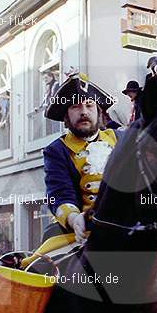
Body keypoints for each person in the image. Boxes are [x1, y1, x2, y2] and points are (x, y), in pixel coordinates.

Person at [42, 73, 117, 242]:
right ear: (66, 117)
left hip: (130, 227)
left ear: (99, 112)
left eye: (89, 105)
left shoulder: (120, 139)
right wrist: (75, 219)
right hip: (82, 231)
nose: (83, 111)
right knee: (41, 266)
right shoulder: (56, 150)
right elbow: (59, 194)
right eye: (75, 107)